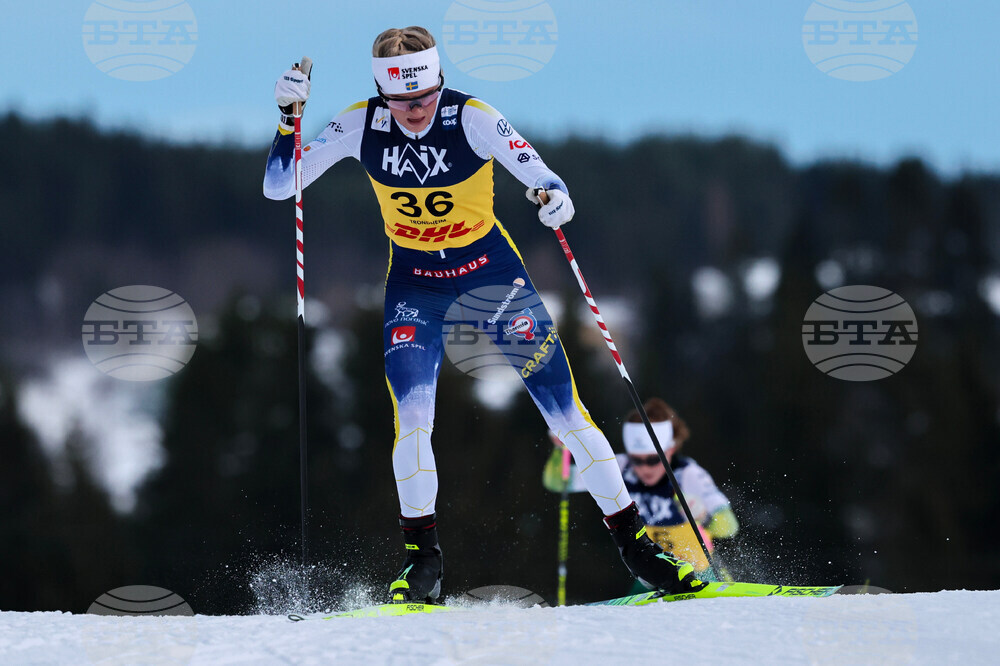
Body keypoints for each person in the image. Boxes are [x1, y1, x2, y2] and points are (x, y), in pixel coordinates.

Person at [263, 26, 704, 603]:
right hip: (415, 286)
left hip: (491, 277)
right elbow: (280, 185)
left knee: (567, 414)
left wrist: (554, 197)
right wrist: (287, 121)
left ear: (439, 81)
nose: (416, 111)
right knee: (414, 419)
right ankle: (422, 565)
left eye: (425, 96)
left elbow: (540, 172)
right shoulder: (359, 124)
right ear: (382, 92)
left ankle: (639, 550)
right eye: (402, 101)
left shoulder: (471, 118)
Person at [544, 398, 739, 587]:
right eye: (637, 460)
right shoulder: (620, 468)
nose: (645, 468)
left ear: (670, 450)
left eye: (653, 460)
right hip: (655, 575)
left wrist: (704, 516)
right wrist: (560, 449)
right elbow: (558, 483)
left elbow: (730, 526)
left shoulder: (688, 475)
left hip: (702, 573)